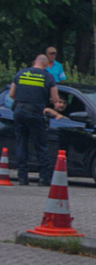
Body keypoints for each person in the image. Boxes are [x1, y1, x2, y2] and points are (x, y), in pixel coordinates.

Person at [9, 55, 63, 185]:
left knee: (21, 143)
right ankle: (43, 178)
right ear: (45, 65)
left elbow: (11, 94)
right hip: (35, 113)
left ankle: (22, 177)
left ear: (34, 62)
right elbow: (55, 99)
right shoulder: (48, 77)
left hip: (19, 111)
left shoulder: (20, 73)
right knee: (41, 145)